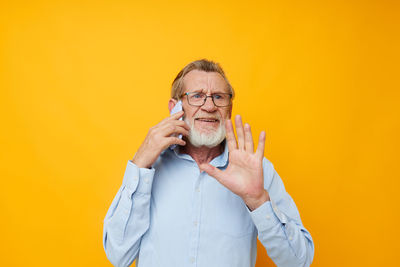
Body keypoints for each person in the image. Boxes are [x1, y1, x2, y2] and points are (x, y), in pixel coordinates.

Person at [103, 59, 314, 267]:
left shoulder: (256, 169)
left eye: (218, 97)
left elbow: (299, 262)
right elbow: (117, 255)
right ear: (175, 107)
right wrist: (140, 163)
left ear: (229, 109)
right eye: (197, 96)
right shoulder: (148, 168)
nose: (210, 106)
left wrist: (258, 200)